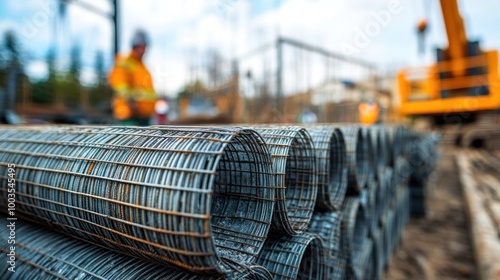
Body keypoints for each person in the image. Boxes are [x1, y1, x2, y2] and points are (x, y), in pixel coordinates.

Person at [109, 30, 156, 126]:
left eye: (145, 47)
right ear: (134, 46)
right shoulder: (124, 62)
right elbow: (120, 85)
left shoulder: (143, 67)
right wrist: (130, 101)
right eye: (141, 46)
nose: (143, 50)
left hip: (144, 118)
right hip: (129, 117)